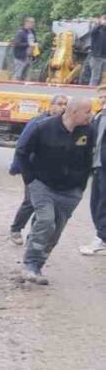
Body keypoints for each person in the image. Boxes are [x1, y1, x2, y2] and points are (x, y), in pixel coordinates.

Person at [15, 98, 94, 284]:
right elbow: (22, 151)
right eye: (87, 111)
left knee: (55, 230)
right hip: (43, 184)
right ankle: (30, 265)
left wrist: (80, 187)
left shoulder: (88, 131)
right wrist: (30, 179)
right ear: (74, 112)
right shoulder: (43, 127)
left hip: (70, 191)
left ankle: (38, 266)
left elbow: (88, 159)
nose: (90, 115)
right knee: (45, 220)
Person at [9, 95, 69, 245]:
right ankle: (16, 229)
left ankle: (34, 237)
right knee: (30, 202)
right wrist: (17, 167)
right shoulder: (38, 122)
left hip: (52, 173)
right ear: (51, 106)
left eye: (65, 104)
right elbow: (22, 146)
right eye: (60, 104)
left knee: (45, 207)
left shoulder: (66, 126)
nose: (63, 107)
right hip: (33, 170)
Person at [80, 85, 106, 255]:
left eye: (105, 97)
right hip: (97, 166)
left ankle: (101, 238)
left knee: (102, 203)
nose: (103, 100)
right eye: (101, 97)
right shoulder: (99, 116)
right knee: (96, 202)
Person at [87, 14, 106, 86]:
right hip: (96, 57)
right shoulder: (96, 30)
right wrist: (100, 24)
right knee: (95, 77)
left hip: (104, 57)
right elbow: (92, 32)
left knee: (102, 77)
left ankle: (99, 93)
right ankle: (91, 92)